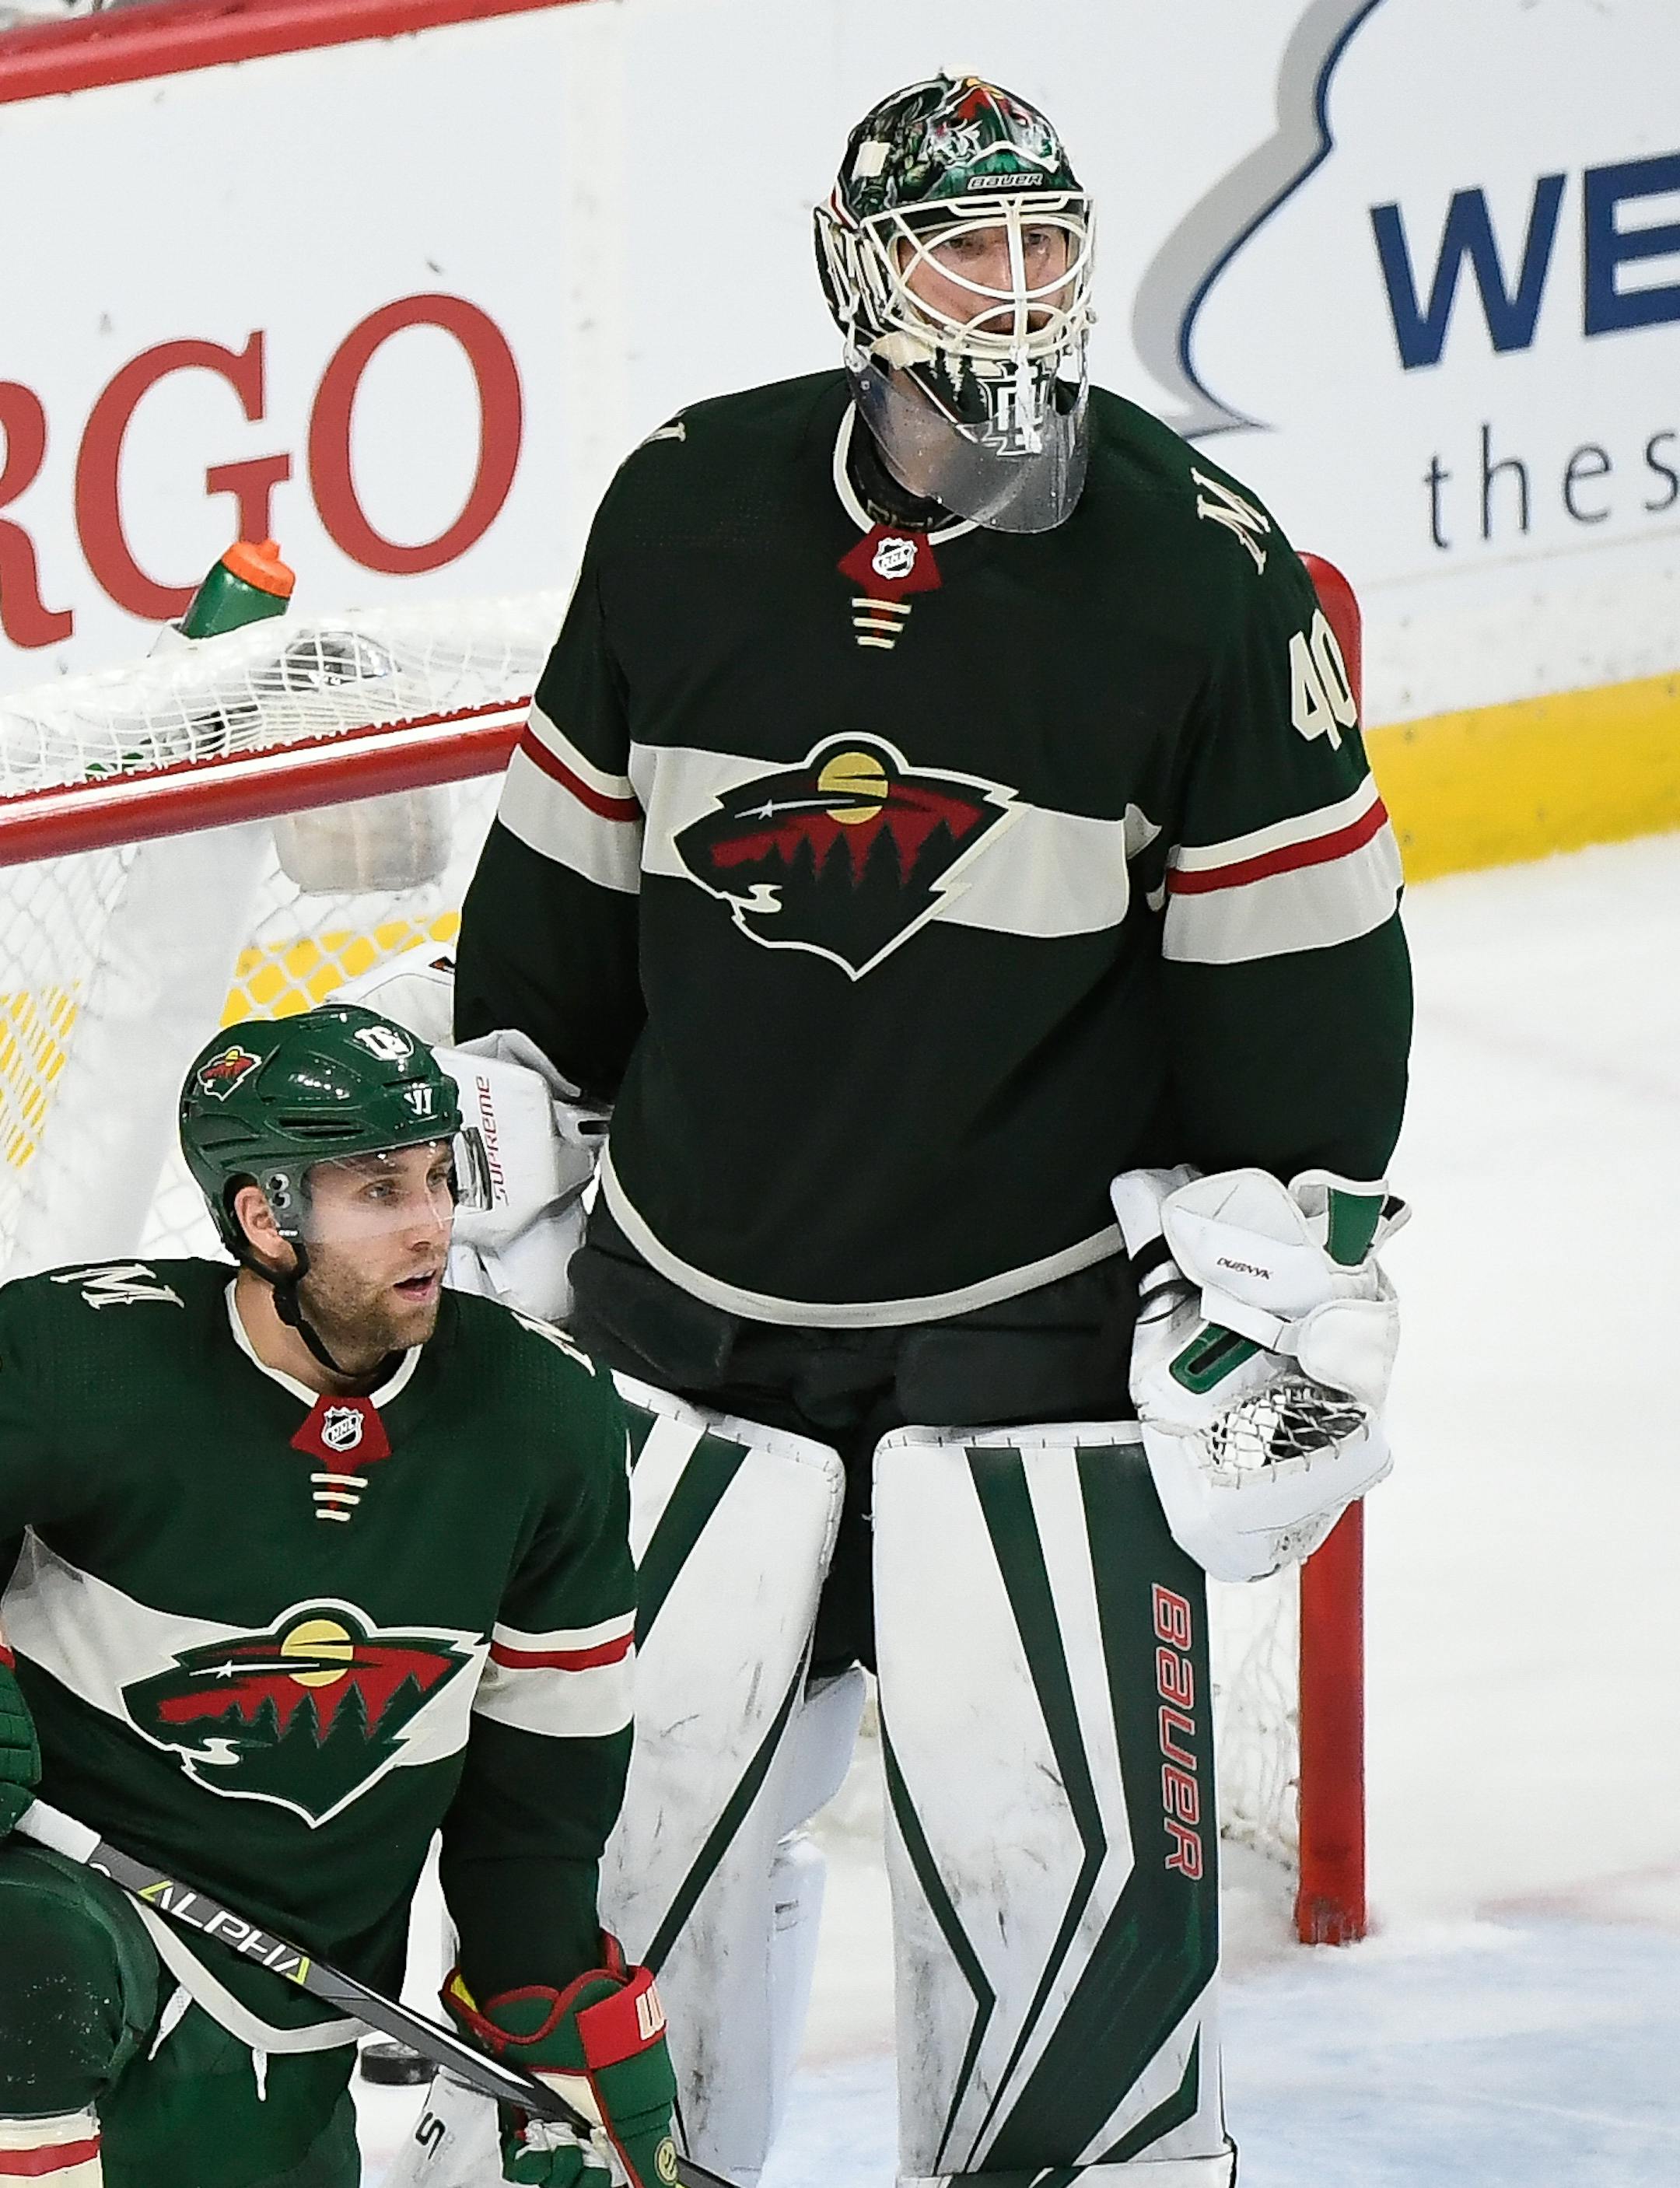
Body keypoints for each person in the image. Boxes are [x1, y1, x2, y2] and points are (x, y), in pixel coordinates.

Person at [451, 72, 1412, 2188]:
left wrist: (1285, 1265)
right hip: (684, 1320)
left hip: (1033, 1346)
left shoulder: (1201, 571)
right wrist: (517, 1119)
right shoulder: (682, 506)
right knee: (602, 1883)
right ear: (861, 271)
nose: (1015, 291)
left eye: (1045, 244)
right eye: (966, 247)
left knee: (1060, 1895)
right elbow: (557, 910)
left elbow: (1307, 993)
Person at [0, 1003, 677, 2188]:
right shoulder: (72, 1362)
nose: (432, 1223)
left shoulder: (542, 1418)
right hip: (69, 1913)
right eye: (378, 1191)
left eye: (436, 1175)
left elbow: (540, 1796)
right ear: (263, 1217)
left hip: (308, 1978)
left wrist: (550, 1998)